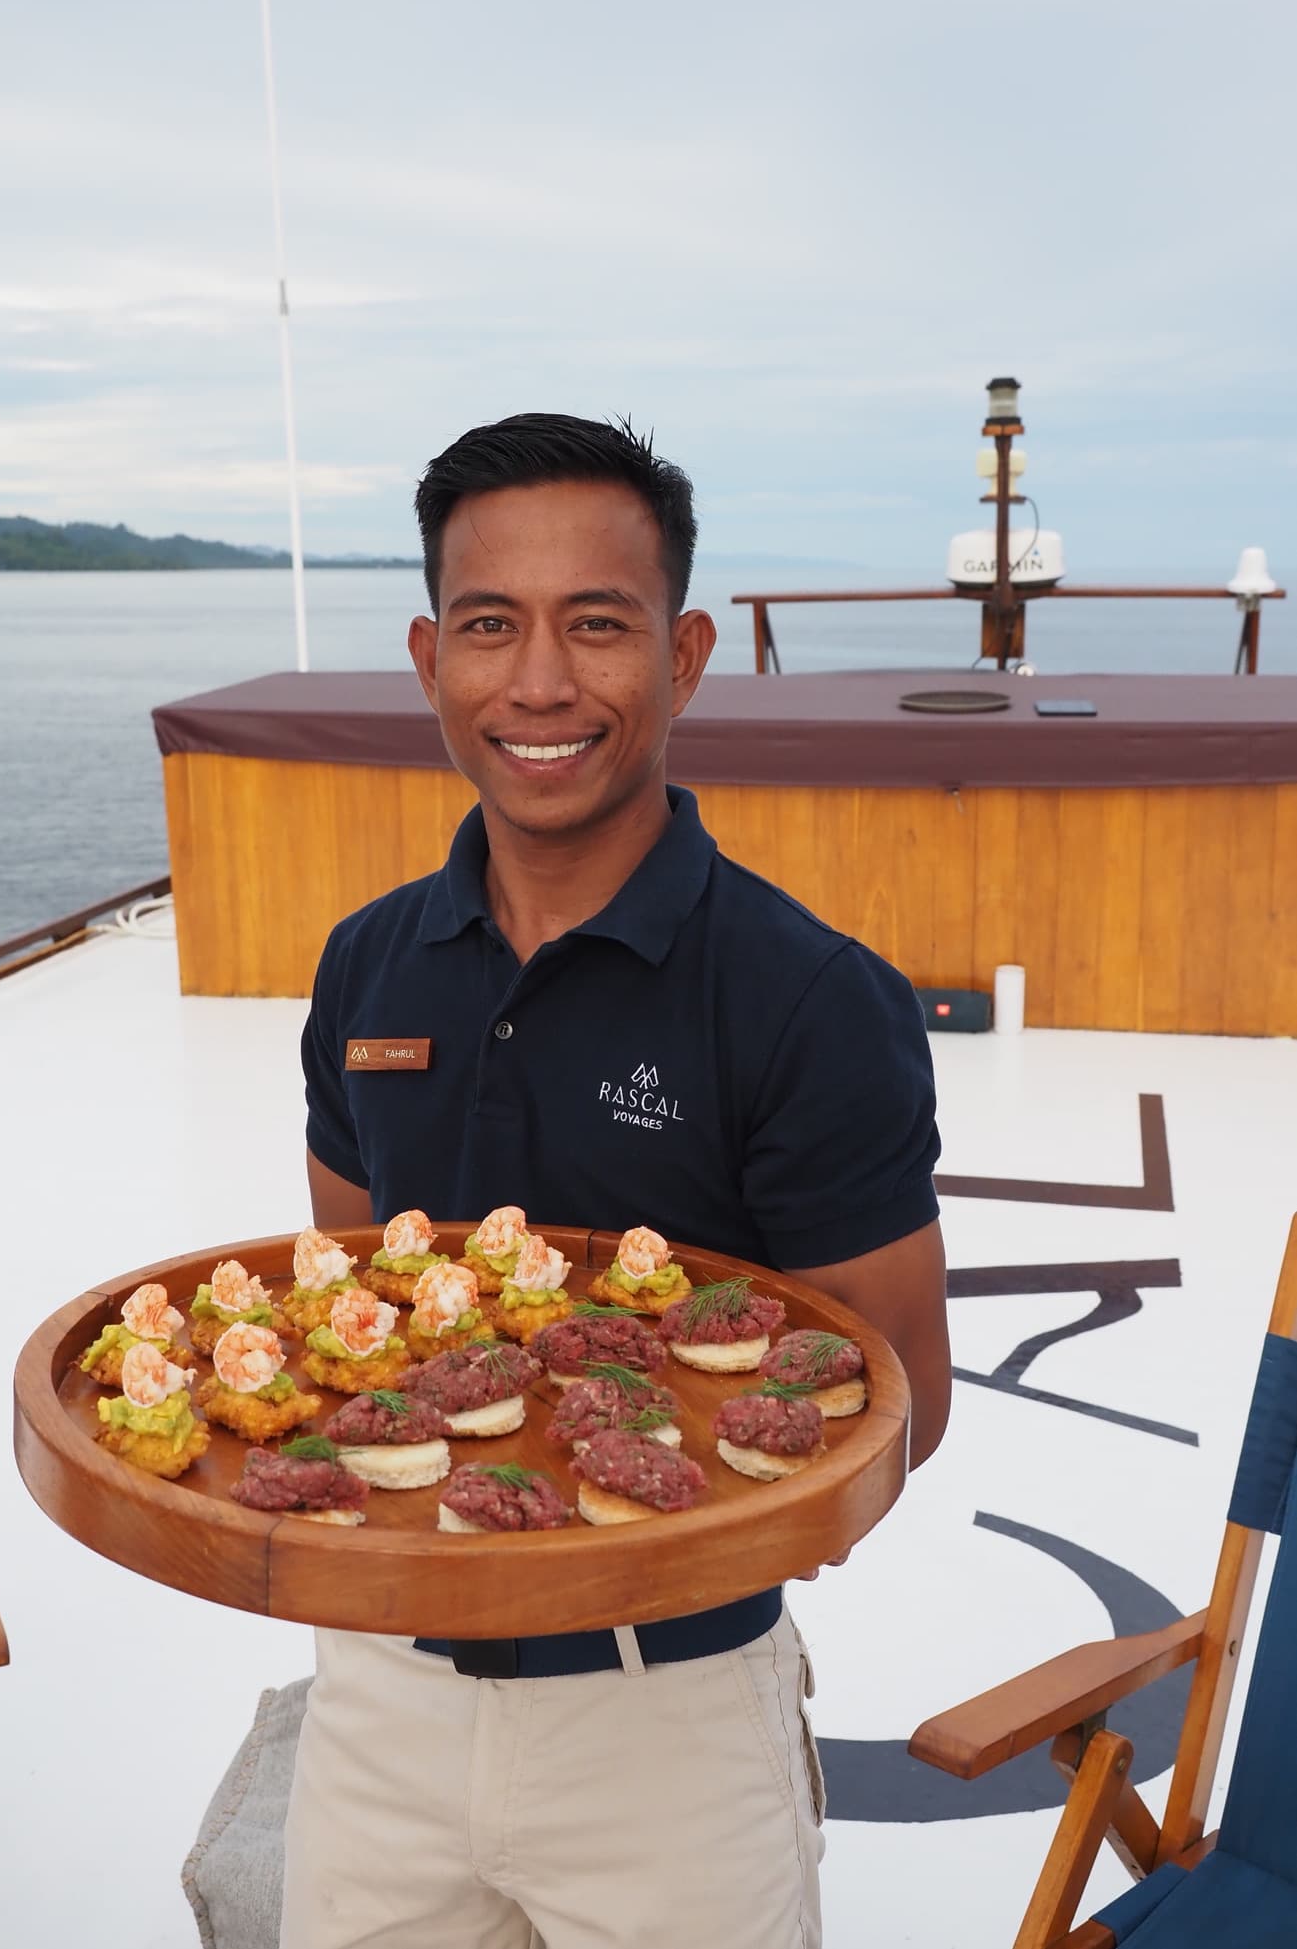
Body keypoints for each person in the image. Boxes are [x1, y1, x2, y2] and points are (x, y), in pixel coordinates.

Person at [281, 412, 950, 1949]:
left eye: (597, 625)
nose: (536, 683)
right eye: (486, 625)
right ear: (425, 653)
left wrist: (671, 1503)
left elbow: (899, 1385)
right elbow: (347, 1305)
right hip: (380, 1683)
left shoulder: (805, 997)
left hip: (670, 1716)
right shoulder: (364, 962)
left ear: (687, 651)